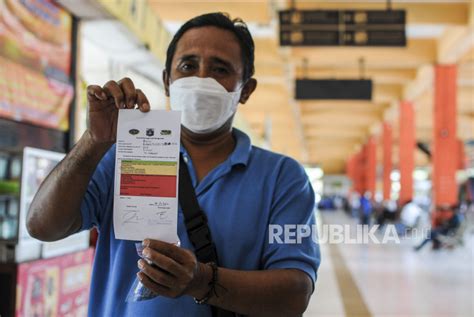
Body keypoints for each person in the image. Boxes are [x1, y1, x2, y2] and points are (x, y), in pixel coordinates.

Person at [26, 13, 320, 316]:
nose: (202, 79)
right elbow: (42, 226)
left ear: (245, 89)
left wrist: (202, 281)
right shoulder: (121, 157)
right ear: (167, 80)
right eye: (188, 66)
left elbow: (295, 293)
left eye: (220, 69)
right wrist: (93, 140)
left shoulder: (284, 179)